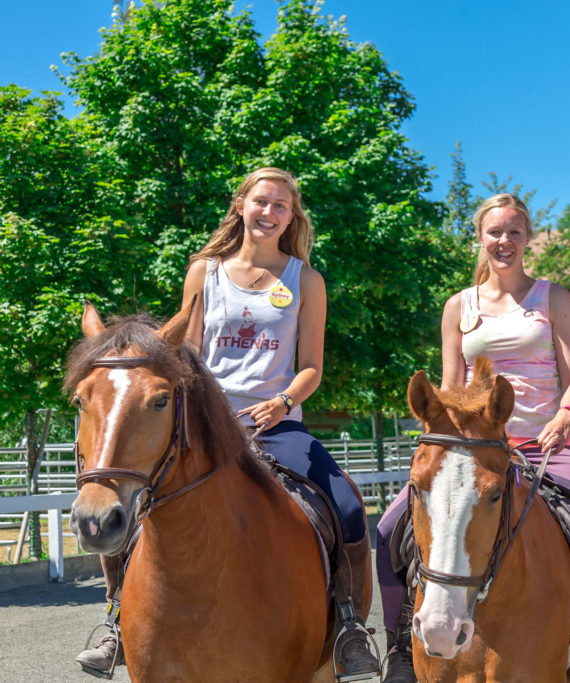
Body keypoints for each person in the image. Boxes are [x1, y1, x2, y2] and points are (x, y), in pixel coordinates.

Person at [75, 167, 378, 679]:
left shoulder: (305, 279)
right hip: (206, 425)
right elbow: (186, 355)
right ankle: (116, 616)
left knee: (346, 504)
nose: (269, 212)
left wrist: (282, 401)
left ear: (292, 217)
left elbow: (312, 367)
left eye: (281, 206)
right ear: (241, 205)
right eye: (261, 202)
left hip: (277, 426)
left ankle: (348, 625)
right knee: (131, 491)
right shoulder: (205, 271)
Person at [374, 194, 570, 682]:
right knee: (388, 531)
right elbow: (450, 387)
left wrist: (566, 415)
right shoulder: (459, 306)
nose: (504, 241)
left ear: (528, 238)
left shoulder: (553, 297)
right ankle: (399, 652)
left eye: (514, 232)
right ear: (480, 238)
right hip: (475, 451)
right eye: (495, 232)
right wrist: (439, 433)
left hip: (543, 444)